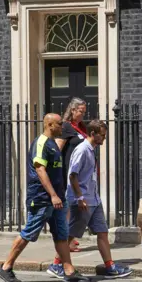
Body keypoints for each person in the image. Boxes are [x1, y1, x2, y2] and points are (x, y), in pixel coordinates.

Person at [0, 113, 88, 282]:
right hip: (41, 198)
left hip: (57, 199)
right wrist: (53, 195)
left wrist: (59, 196)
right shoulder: (41, 143)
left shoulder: (53, 143)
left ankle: (69, 271)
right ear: (50, 124)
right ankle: (6, 267)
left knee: (62, 235)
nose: (63, 126)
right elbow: (40, 170)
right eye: (60, 124)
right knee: (29, 232)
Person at [47, 120, 133, 279]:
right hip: (82, 201)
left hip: (94, 199)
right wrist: (79, 197)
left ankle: (110, 267)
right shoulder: (82, 150)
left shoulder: (91, 149)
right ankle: (56, 264)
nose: (105, 138)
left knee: (102, 232)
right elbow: (73, 175)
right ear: (92, 134)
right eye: (103, 135)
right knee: (70, 235)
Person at [55, 97, 88, 252]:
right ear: (73, 110)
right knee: (69, 206)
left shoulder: (81, 126)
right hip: (69, 172)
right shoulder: (67, 126)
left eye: (84, 111)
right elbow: (57, 148)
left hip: (81, 172)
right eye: (81, 111)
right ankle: (66, 239)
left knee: (75, 206)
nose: (83, 114)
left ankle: (70, 237)